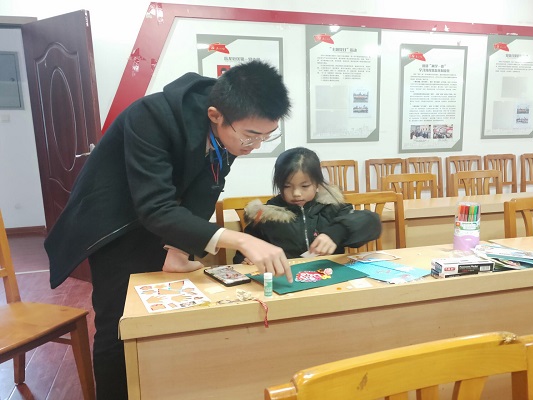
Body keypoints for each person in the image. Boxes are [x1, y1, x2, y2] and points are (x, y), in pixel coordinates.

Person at [44, 60, 292, 399]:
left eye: (267, 135)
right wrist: (240, 239)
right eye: (251, 135)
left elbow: (205, 189)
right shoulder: (150, 116)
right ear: (215, 115)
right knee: (119, 325)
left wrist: (178, 250)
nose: (256, 145)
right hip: (114, 225)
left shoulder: (232, 130)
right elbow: (155, 207)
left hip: (159, 217)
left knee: (160, 314)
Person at [233, 147, 382, 263]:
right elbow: (242, 254)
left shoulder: (332, 207)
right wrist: (247, 259)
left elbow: (372, 222)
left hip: (328, 277)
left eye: (305, 186)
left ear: (317, 184)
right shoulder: (265, 216)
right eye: (287, 186)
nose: (296, 193)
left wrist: (337, 232)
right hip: (286, 279)